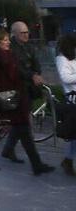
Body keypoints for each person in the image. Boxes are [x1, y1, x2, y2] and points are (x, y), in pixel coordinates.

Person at [0, 28, 53, 174]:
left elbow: (19, 72)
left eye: (8, 40)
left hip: (14, 97)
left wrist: (31, 76)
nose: (8, 42)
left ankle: (36, 164)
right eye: (5, 40)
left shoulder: (11, 55)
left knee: (23, 128)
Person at [56, 32, 76, 176]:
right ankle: (68, 159)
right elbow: (65, 77)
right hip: (73, 99)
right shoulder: (62, 59)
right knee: (72, 133)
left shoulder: (74, 58)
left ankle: (68, 159)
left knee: (74, 133)